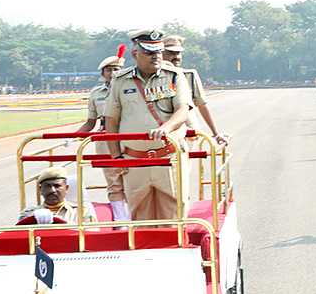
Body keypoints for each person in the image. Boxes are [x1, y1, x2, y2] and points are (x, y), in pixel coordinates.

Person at [103, 29, 192, 221]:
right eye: (149, 52)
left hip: (168, 157)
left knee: (174, 215)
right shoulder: (120, 80)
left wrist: (166, 128)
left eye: (159, 51)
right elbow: (111, 121)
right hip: (134, 161)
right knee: (139, 217)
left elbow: (182, 110)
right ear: (135, 54)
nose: (156, 56)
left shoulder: (174, 76)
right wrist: (116, 157)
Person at [75, 47, 129, 221]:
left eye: (116, 70)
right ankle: (121, 222)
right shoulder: (96, 93)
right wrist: (73, 136)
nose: (112, 73)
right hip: (105, 140)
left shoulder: (130, 88)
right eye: (108, 70)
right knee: (114, 183)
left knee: (133, 180)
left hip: (129, 138)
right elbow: (91, 122)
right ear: (103, 73)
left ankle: (136, 220)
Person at [161, 35, 227, 146]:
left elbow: (203, 105)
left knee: (190, 143)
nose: (176, 56)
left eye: (178, 53)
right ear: (161, 54)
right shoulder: (154, 77)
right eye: (171, 53)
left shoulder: (189, 75)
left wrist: (217, 134)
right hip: (163, 125)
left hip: (187, 124)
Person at [19, 166, 98, 224]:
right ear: (40, 190)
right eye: (47, 186)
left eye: (57, 186)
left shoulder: (81, 211)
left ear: (66, 188)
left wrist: (71, 228)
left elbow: (91, 236)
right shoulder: (29, 214)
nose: (52, 190)